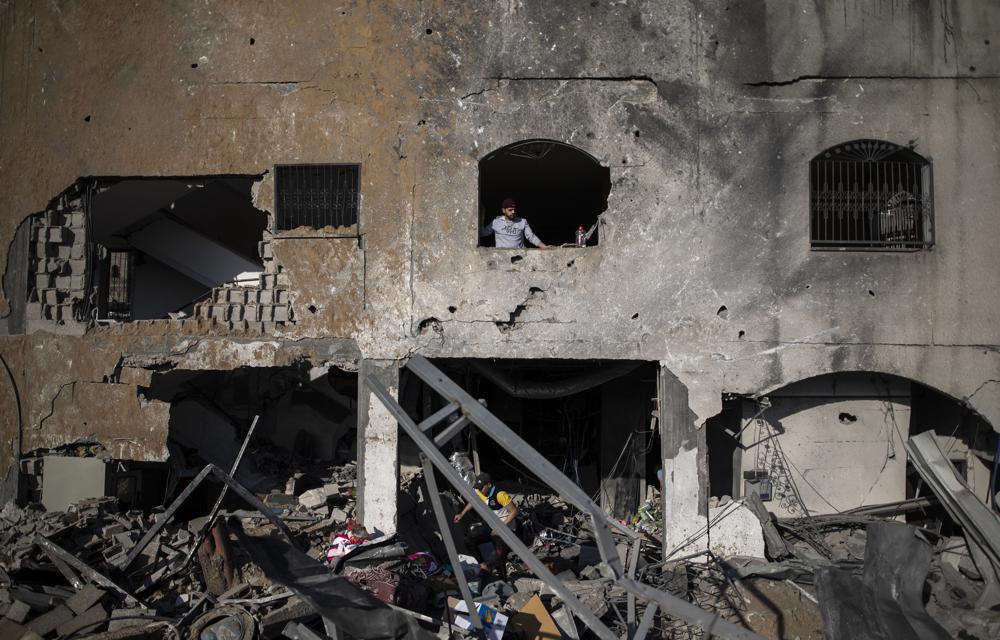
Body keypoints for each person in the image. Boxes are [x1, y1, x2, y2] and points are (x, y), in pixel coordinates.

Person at [453, 472, 518, 576]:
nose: (479, 491)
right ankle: (483, 566)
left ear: (489, 485)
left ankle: (503, 579)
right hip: (490, 525)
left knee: (499, 558)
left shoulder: (500, 495)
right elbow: (474, 500)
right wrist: (462, 514)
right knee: (468, 541)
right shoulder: (480, 491)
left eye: (481, 488)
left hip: (505, 529)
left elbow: (514, 511)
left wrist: (500, 528)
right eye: (478, 488)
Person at [479, 197, 549, 248]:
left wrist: (545, 247)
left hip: (519, 258)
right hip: (502, 258)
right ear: (503, 210)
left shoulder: (522, 221)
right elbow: (482, 233)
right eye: (510, 210)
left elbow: (531, 237)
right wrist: (482, 216)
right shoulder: (496, 222)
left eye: (514, 210)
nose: (513, 212)